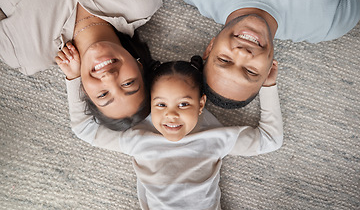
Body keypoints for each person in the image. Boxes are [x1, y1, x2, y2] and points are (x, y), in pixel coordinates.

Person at [65, 52, 283, 209]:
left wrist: (268, 86)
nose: (171, 115)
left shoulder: (215, 139)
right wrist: (74, 77)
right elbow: (85, 129)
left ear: (200, 104)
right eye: (160, 105)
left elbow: (270, 140)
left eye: (184, 104)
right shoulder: (139, 140)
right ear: (150, 104)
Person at [0, 0, 168, 129]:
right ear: (139, 66)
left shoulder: (27, 54)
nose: (109, 77)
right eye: (128, 83)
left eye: (103, 95)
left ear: (84, 91)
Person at [167, 0, 360, 109]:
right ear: (270, 70)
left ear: (210, 48)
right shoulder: (329, 23)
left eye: (225, 60)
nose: (242, 54)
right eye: (250, 71)